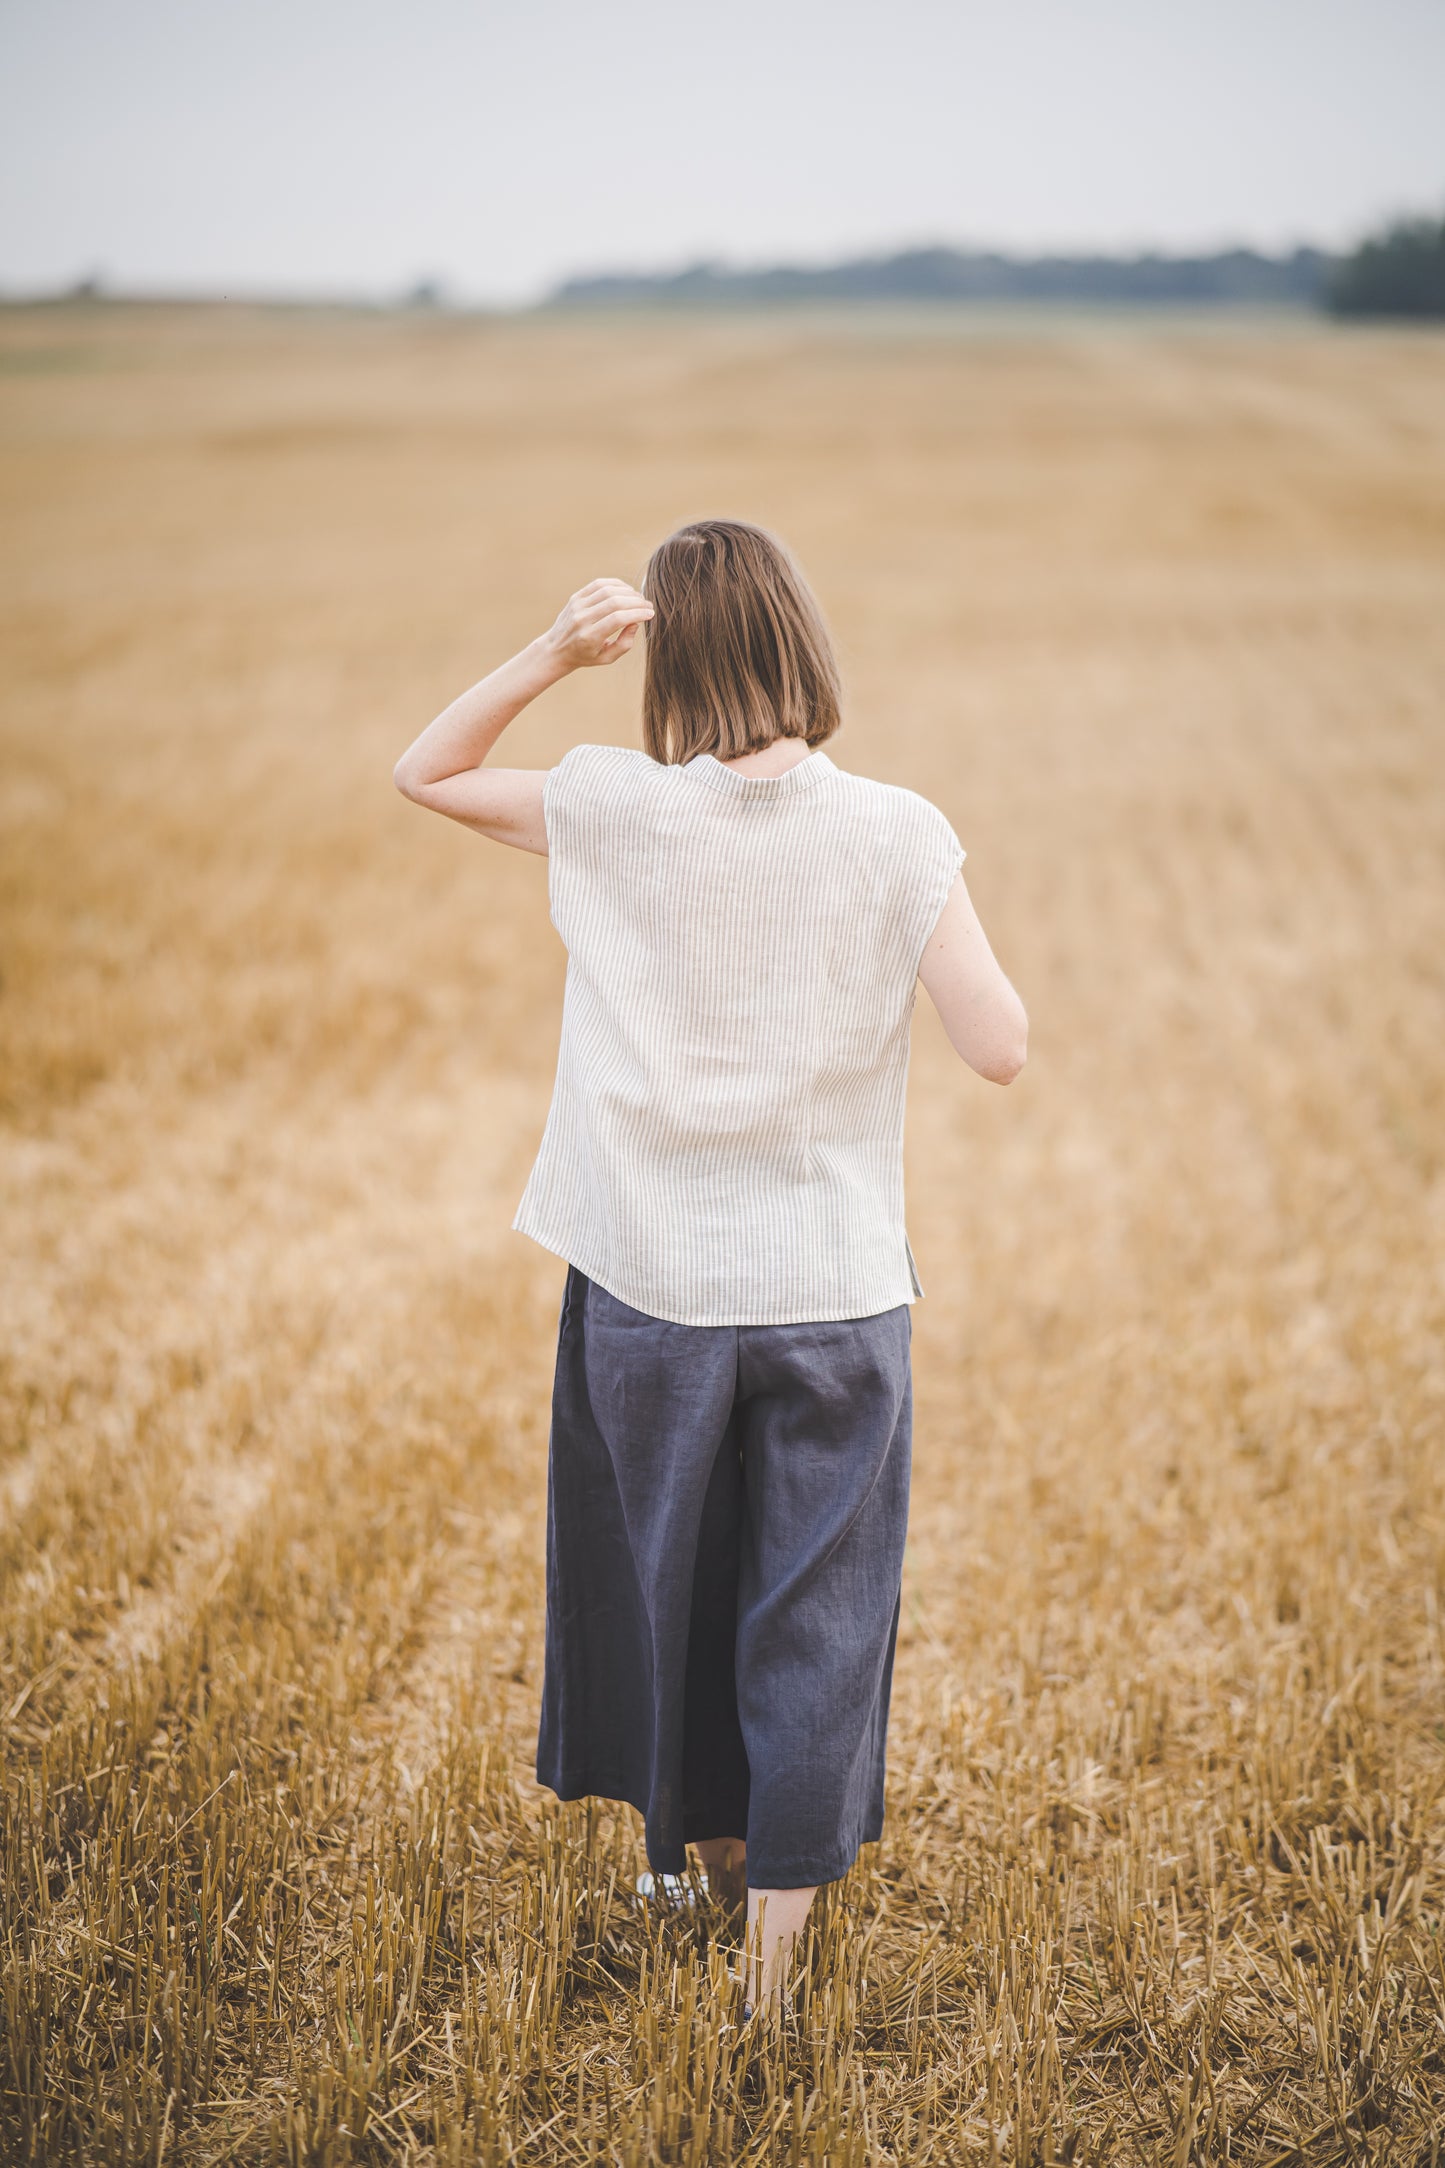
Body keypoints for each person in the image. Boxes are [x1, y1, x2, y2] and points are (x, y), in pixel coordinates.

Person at [393, 519, 1027, 2016]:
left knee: (663, 1587)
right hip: (834, 1291)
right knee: (811, 1614)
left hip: (649, 1292)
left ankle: (693, 1849)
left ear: (669, 664)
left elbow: (422, 772)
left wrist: (552, 651)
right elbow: (999, 1047)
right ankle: (770, 1967)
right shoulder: (897, 829)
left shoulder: (615, 808)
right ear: (806, 644)